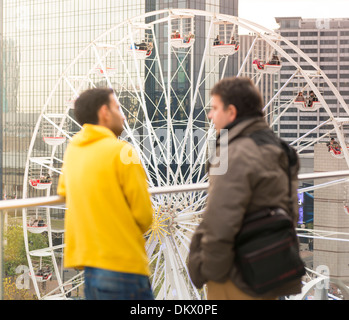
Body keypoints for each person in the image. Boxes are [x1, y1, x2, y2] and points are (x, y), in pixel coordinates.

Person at [188, 77, 302, 300]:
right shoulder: (281, 149)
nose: (210, 115)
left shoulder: (234, 152)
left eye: (214, 108)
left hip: (236, 274)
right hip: (268, 269)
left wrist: (210, 271)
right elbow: (292, 213)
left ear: (231, 112)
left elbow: (220, 219)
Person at [57, 88, 154, 300]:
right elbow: (145, 216)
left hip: (91, 268)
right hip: (124, 265)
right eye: (118, 108)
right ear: (104, 112)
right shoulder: (123, 151)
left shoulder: (73, 150)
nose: (123, 115)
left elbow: (64, 190)